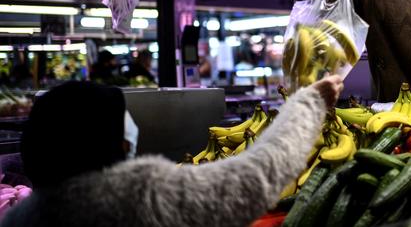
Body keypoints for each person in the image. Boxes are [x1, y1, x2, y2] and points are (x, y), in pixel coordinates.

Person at [1, 75, 344, 227]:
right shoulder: (140, 195)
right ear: (112, 142)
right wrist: (309, 104)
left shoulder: (22, 217)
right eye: (124, 123)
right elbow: (259, 176)